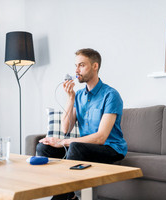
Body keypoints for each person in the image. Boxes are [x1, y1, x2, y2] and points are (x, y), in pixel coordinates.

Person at [36, 48, 127, 200]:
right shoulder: (78, 95)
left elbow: (100, 138)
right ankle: (69, 195)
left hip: (111, 148)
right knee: (43, 147)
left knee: (75, 146)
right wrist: (70, 99)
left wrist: (63, 142)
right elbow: (66, 128)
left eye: (81, 65)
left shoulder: (111, 95)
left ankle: (60, 197)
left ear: (95, 66)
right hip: (84, 148)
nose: (76, 70)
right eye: (75, 66)